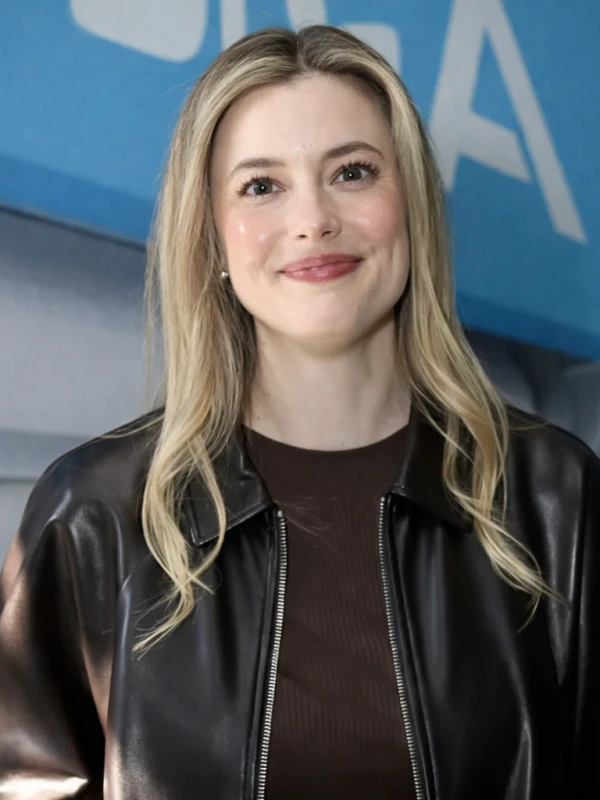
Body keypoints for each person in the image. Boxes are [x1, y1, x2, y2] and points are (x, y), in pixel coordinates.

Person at [0, 23, 598, 800]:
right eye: (261, 186)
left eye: (352, 172)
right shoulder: (93, 511)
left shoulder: (554, 496)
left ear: (411, 205)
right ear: (211, 235)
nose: (313, 218)